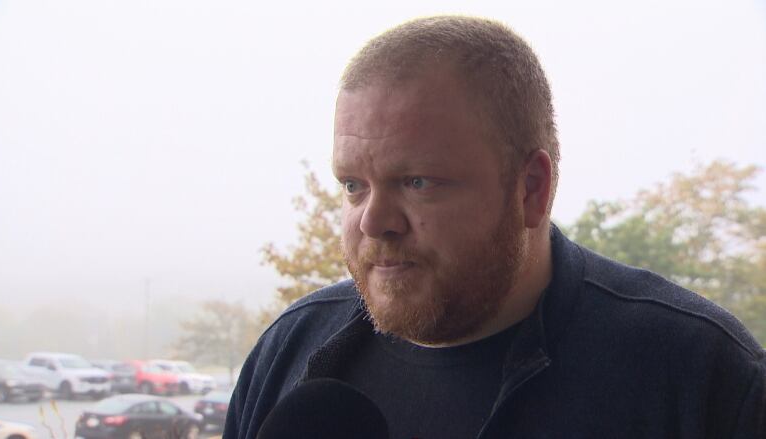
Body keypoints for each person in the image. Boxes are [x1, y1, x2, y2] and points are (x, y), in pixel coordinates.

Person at [224, 16, 765, 439]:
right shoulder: (289, 351)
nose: (373, 222)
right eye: (353, 185)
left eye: (417, 182)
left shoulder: (697, 376)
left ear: (531, 188)